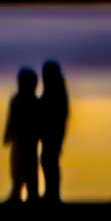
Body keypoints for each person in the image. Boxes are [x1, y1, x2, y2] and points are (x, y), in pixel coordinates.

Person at [6, 67, 43, 203]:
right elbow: (11, 120)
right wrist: (8, 134)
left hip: (27, 142)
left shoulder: (30, 101)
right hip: (21, 142)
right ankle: (17, 193)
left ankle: (30, 195)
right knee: (18, 170)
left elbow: (39, 122)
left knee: (28, 170)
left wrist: (8, 134)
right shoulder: (21, 101)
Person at [39, 58, 72, 203]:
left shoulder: (55, 91)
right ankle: (51, 192)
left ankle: (53, 194)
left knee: (49, 161)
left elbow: (55, 113)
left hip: (53, 132)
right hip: (53, 132)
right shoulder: (56, 91)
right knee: (48, 161)